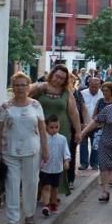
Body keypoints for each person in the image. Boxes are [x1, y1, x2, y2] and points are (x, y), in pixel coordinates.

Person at [0, 72, 46, 224]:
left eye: (23, 85)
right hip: (10, 152)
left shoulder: (36, 105)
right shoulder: (5, 107)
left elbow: (42, 128)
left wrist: (46, 149)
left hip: (32, 150)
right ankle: (12, 220)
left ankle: (29, 213)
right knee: (12, 185)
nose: (20, 88)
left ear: (28, 87)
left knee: (31, 183)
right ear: (12, 87)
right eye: (17, 85)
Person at [30, 63, 81, 203]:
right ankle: (37, 191)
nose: (58, 80)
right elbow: (25, 95)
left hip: (61, 129)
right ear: (52, 74)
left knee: (56, 162)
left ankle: (53, 192)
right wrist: (37, 86)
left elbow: (73, 112)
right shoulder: (41, 88)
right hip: (39, 129)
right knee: (38, 160)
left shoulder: (67, 93)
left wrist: (78, 131)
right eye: (57, 76)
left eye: (62, 78)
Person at [80, 85, 112, 203]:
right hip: (106, 145)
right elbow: (96, 121)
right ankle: (104, 191)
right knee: (103, 167)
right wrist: (83, 132)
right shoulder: (108, 109)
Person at [39, 116, 71, 217]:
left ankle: (53, 204)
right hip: (45, 168)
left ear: (59, 126)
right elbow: (39, 151)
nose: (54, 129)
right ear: (46, 127)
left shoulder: (62, 139)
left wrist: (66, 161)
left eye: (56, 127)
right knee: (46, 186)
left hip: (57, 168)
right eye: (51, 127)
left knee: (55, 188)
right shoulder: (43, 139)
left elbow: (66, 152)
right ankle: (46, 205)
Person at [78, 76, 103, 171]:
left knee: (95, 144)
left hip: (97, 124)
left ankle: (94, 163)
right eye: (92, 86)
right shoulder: (82, 94)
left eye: (96, 87)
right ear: (89, 85)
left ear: (99, 86)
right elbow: (79, 109)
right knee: (83, 144)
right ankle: (84, 163)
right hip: (84, 124)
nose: (94, 89)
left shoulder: (102, 95)